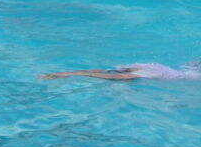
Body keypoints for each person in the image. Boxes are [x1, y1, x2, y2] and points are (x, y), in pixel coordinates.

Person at [39, 63, 201, 81]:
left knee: (112, 70)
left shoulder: (192, 68)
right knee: (120, 77)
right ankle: (75, 73)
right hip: (161, 73)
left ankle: (71, 73)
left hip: (158, 66)